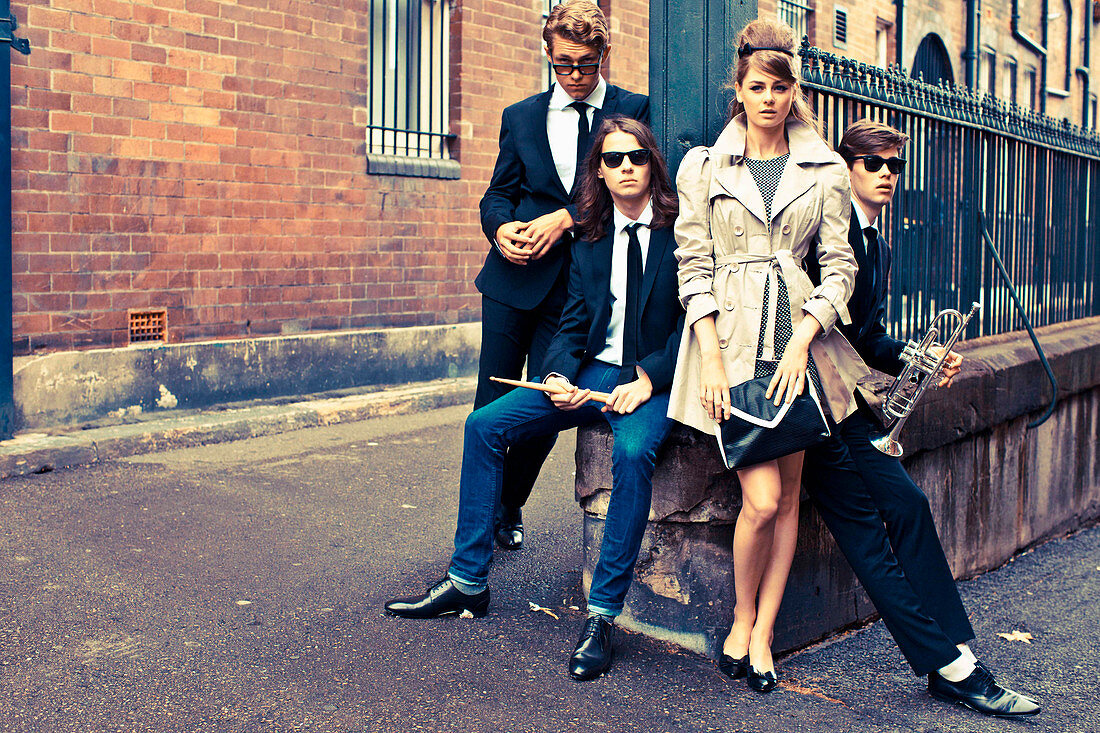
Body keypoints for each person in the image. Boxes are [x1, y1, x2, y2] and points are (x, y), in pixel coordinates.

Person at [387, 117, 684, 682]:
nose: (626, 168)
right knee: (484, 427)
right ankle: (468, 582)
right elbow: (572, 326)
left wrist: (648, 377)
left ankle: (602, 617)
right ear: (598, 169)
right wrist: (556, 376)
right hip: (592, 370)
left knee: (631, 455)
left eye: (637, 158)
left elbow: (695, 321)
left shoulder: (680, 232)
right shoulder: (590, 239)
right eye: (614, 159)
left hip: (651, 379)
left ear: (653, 165)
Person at [801, 119, 1041, 717]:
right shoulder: (826, 234)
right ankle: (954, 669)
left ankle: (952, 647)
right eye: (871, 163)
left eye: (894, 165)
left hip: (846, 400)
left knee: (907, 504)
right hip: (807, 401)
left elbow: (867, 334)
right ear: (846, 167)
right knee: (866, 535)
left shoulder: (876, 239)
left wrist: (917, 355)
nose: (885, 175)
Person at [667, 19, 868, 693]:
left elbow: (839, 266)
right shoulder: (705, 166)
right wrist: (714, 359)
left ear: (794, 90)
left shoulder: (826, 170)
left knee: (790, 501)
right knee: (760, 497)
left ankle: (761, 636)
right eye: (758, 86)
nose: (770, 99)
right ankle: (739, 617)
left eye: (781, 88)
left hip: (796, 345)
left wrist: (807, 335)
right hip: (735, 344)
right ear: (740, 88)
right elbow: (692, 266)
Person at [477, 0, 650, 552]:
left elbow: (630, 186)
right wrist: (501, 230)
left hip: (580, 290)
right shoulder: (521, 116)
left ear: (605, 52)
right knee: (491, 401)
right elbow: (498, 194)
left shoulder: (632, 108)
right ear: (548, 55)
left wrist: (567, 218)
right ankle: (483, 522)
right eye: (564, 65)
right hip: (512, 280)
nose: (576, 76)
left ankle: (509, 503)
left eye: (587, 63)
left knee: (552, 403)